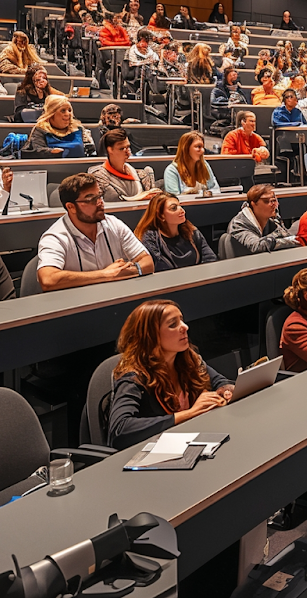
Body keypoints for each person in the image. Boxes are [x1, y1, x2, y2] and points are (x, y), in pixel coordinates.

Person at [107, 300, 234, 449]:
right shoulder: (134, 377)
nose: (185, 327)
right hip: (154, 455)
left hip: (193, 443)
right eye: (173, 324)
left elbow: (219, 381)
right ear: (150, 336)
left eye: (182, 320)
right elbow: (120, 429)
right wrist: (188, 414)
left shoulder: (188, 359)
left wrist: (226, 390)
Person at [35, 173, 154, 291]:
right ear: (71, 207)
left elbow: (147, 262)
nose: (100, 203)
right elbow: (48, 279)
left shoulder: (113, 224)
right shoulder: (55, 237)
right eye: (91, 199)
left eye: (100, 196)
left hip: (115, 297)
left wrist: (129, 271)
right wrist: (106, 274)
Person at [135, 192, 217, 271]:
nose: (182, 211)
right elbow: (158, 267)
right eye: (174, 208)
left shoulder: (190, 231)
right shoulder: (150, 238)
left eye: (180, 206)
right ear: (161, 215)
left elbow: (210, 258)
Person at [226, 184, 299, 255]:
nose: (273, 205)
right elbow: (257, 246)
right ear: (253, 203)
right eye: (267, 201)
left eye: (274, 200)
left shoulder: (270, 216)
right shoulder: (239, 223)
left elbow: (286, 235)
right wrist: (288, 240)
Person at [90, 128, 158, 202]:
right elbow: (105, 201)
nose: (127, 152)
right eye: (122, 148)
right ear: (110, 150)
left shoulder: (139, 175)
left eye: (128, 147)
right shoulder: (98, 176)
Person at [27, 95, 93, 158]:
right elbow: (36, 152)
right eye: (63, 111)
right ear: (51, 114)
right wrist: (51, 152)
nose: (68, 114)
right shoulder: (40, 130)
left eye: (69, 110)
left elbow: (91, 152)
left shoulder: (79, 129)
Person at [165, 131, 220, 195]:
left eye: (203, 147)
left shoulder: (205, 165)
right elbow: (174, 199)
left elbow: (216, 190)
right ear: (186, 148)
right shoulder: (171, 171)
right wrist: (204, 194)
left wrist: (199, 193)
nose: (203, 151)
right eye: (198, 147)